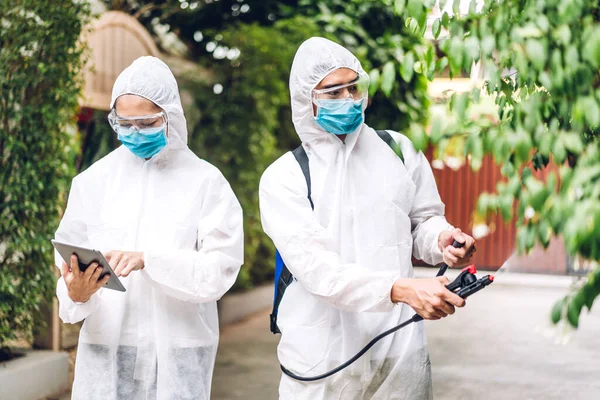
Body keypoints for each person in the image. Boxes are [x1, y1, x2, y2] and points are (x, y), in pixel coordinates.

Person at [259, 37, 476, 399]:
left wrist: (443, 241)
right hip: (321, 356)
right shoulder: (285, 176)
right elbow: (317, 270)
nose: (348, 99)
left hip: (398, 347)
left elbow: (423, 220)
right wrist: (400, 289)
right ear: (306, 100)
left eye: (353, 87)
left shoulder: (398, 150)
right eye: (332, 92)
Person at [54, 56, 243, 400]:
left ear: (169, 115)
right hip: (107, 350)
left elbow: (220, 270)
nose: (135, 132)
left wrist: (149, 260)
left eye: (146, 122)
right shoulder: (93, 181)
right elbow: (68, 266)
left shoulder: (206, 183)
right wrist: (74, 295)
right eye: (124, 123)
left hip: (177, 353)